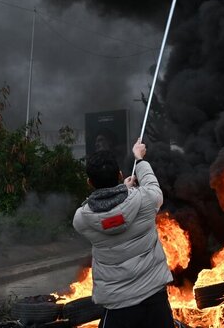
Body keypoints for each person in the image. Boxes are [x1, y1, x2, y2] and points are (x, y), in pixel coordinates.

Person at [73, 139, 174, 328]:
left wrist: (121, 191)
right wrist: (140, 159)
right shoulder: (145, 201)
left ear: (89, 182)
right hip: (155, 300)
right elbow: (153, 187)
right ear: (120, 174)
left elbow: (110, 213)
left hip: (118, 307)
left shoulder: (82, 219)